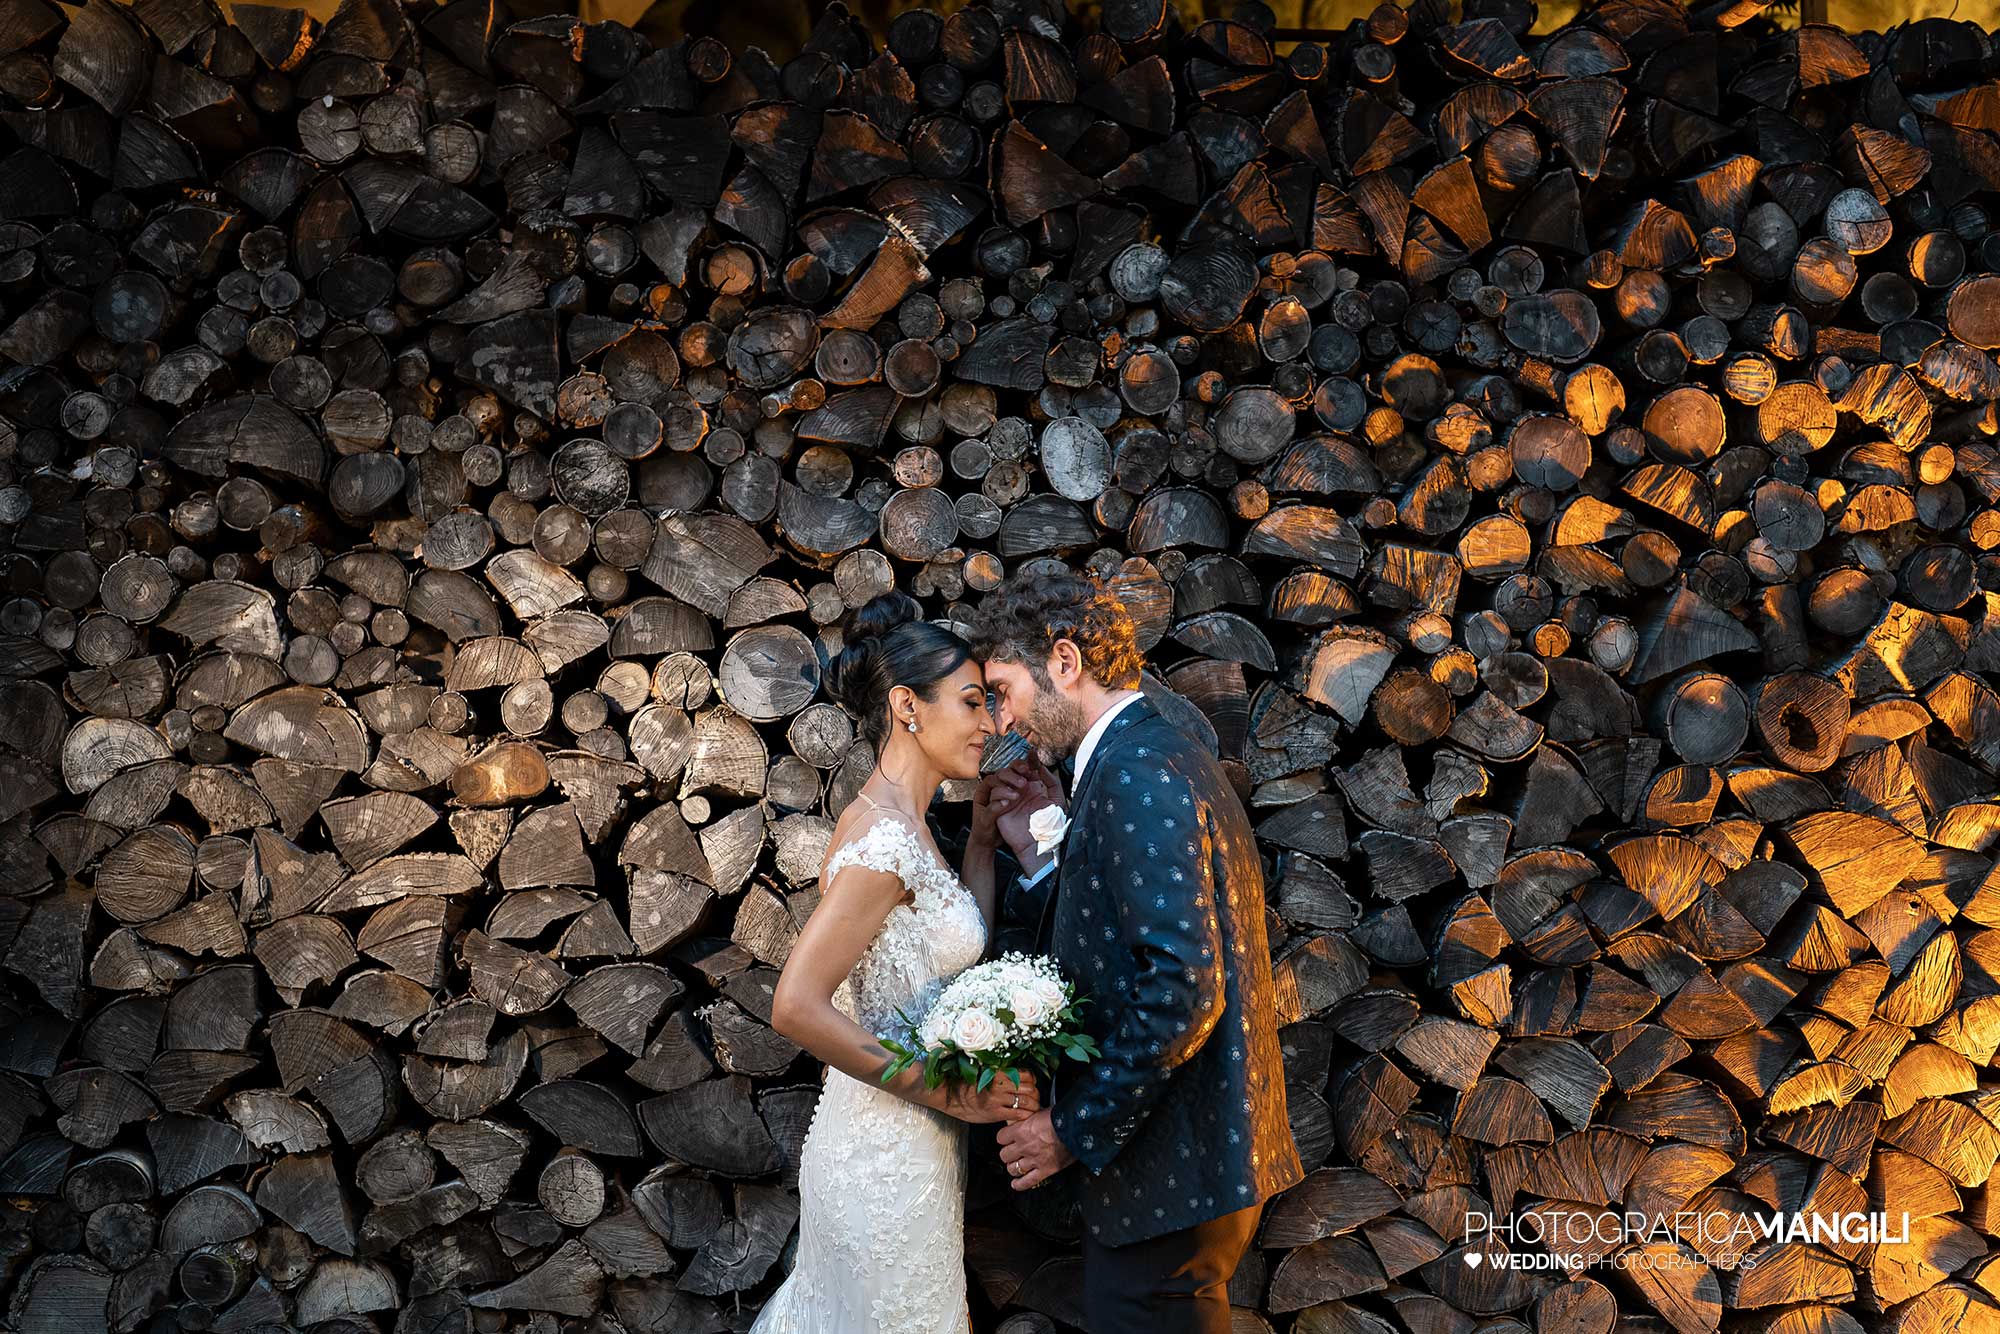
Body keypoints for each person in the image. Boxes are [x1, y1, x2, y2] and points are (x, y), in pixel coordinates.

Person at [970, 570, 1305, 1334]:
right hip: (1184, 1169)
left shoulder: (1134, 772)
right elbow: (1119, 936)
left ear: (1063, 662)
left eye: (1001, 688)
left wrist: (1069, 1129)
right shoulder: (1150, 753)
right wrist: (1043, 855)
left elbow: (1182, 988)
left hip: (1172, 1172)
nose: (1000, 719)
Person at [752, 591, 1040, 1334]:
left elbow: (949, 954)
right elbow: (796, 1005)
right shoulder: (882, 842)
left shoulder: (912, 828)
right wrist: (945, 1095)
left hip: (916, 1151)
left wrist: (978, 842)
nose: (991, 723)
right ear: (908, 706)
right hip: (880, 1156)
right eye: (974, 702)